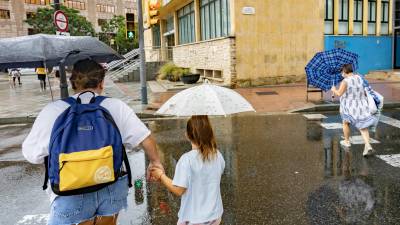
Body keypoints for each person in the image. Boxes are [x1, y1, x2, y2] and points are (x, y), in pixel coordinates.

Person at [23, 59, 164, 225]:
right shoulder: (116, 106)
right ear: (102, 82)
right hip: (111, 184)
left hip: (69, 191)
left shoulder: (53, 110)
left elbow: (32, 155)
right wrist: (155, 162)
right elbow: (145, 138)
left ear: (72, 83)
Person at [151, 115, 225, 225]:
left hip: (193, 219)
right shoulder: (218, 155)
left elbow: (179, 189)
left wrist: (161, 176)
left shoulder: (187, 160)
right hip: (215, 216)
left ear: (187, 135)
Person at [331, 64, 377, 156]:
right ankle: (367, 145)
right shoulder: (359, 77)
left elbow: (339, 93)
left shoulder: (345, 81)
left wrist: (334, 90)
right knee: (363, 126)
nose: (341, 74)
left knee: (345, 122)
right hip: (361, 105)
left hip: (349, 106)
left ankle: (347, 141)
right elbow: (364, 91)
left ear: (344, 71)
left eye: (342, 72)